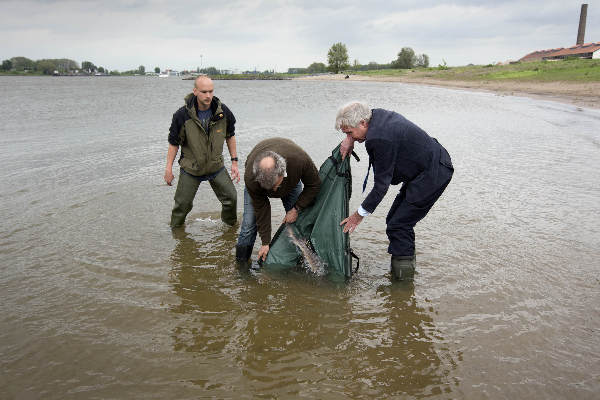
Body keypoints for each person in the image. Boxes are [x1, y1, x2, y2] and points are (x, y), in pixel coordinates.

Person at [336, 102, 453, 281]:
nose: (349, 137)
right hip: (425, 166)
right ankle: (401, 273)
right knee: (394, 220)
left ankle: (402, 286)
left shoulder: (380, 139)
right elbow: (360, 120)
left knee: (399, 225)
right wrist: (350, 139)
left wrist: (357, 216)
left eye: (349, 132)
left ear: (363, 123)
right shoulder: (375, 116)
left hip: (433, 174)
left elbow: (381, 186)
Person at [164, 76, 240, 227]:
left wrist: (234, 162)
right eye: (204, 92)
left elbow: (230, 136)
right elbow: (173, 144)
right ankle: (175, 233)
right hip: (191, 168)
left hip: (216, 167)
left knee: (231, 198)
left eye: (211, 91)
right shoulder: (181, 115)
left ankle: (230, 229)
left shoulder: (223, 112)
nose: (208, 96)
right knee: (182, 206)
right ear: (195, 91)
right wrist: (168, 168)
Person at [236, 138, 321, 263]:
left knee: (298, 223)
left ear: (282, 173)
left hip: (291, 182)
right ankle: (241, 266)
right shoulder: (251, 178)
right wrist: (265, 242)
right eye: (269, 188)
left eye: (275, 186)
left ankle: (304, 261)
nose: (273, 191)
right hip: (258, 186)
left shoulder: (299, 160)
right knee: (248, 226)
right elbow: (262, 208)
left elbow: (314, 185)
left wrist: (297, 208)